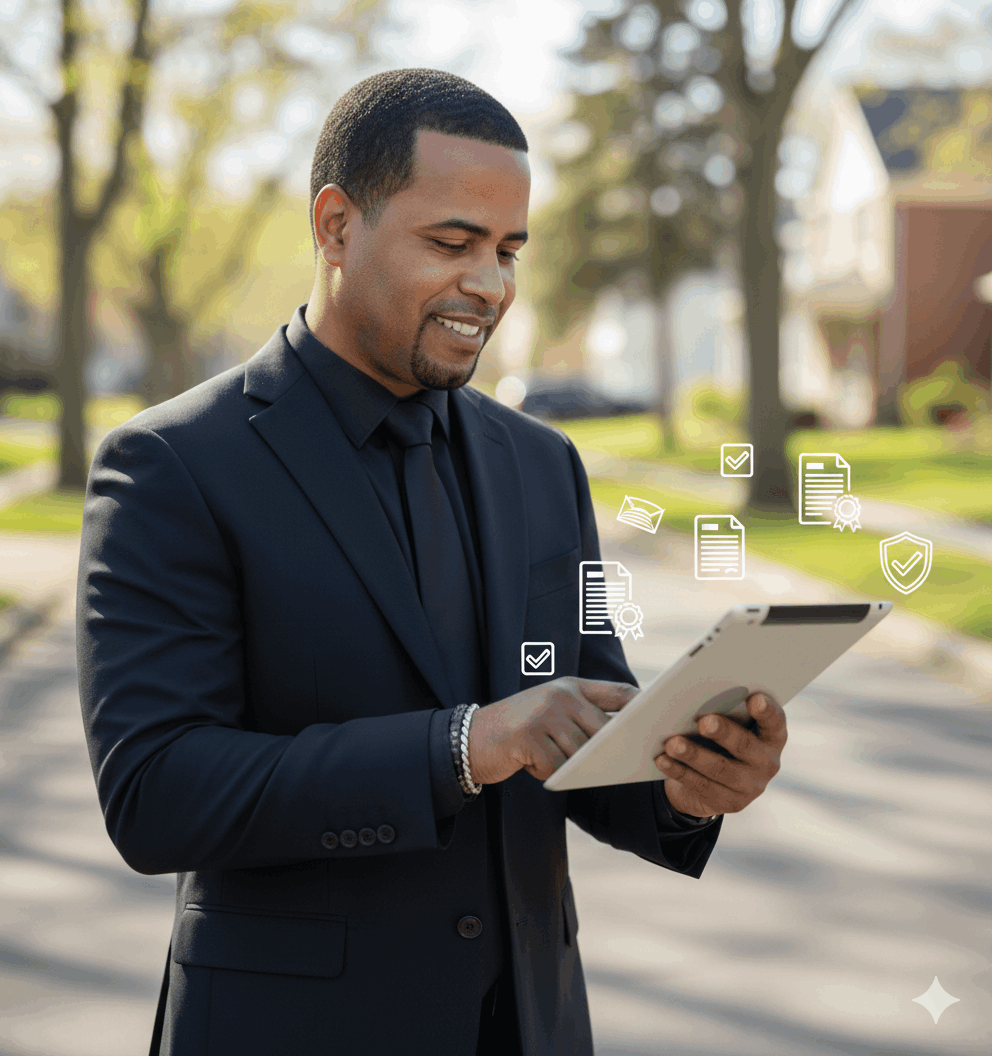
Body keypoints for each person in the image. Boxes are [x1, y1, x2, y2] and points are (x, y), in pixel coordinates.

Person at [76, 67, 786, 1056]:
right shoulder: (173, 466)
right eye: (451, 243)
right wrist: (461, 746)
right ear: (334, 226)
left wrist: (682, 781)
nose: (489, 284)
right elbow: (158, 794)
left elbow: (578, 725)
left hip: (529, 1027)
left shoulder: (543, 465)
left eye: (506, 250)